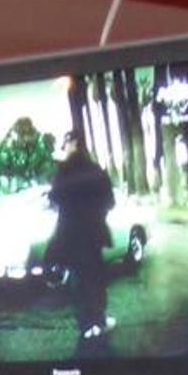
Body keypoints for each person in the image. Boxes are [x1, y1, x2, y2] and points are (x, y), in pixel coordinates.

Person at [36, 134, 116, 342]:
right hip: (93, 232)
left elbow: (54, 198)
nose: (64, 148)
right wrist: (96, 213)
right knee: (96, 277)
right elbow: (110, 201)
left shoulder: (63, 172)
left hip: (70, 233)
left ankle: (86, 325)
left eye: (66, 144)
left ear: (73, 145)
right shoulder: (96, 171)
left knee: (78, 280)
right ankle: (99, 321)